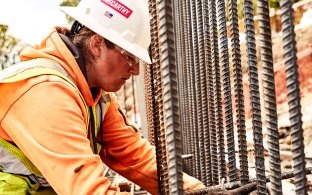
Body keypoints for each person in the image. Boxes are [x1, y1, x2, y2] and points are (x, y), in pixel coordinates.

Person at [0, 0, 205, 194]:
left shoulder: (96, 96)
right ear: (97, 44)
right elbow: (89, 191)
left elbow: (136, 157)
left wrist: (201, 192)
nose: (136, 71)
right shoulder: (44, 91)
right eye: (130, 57)